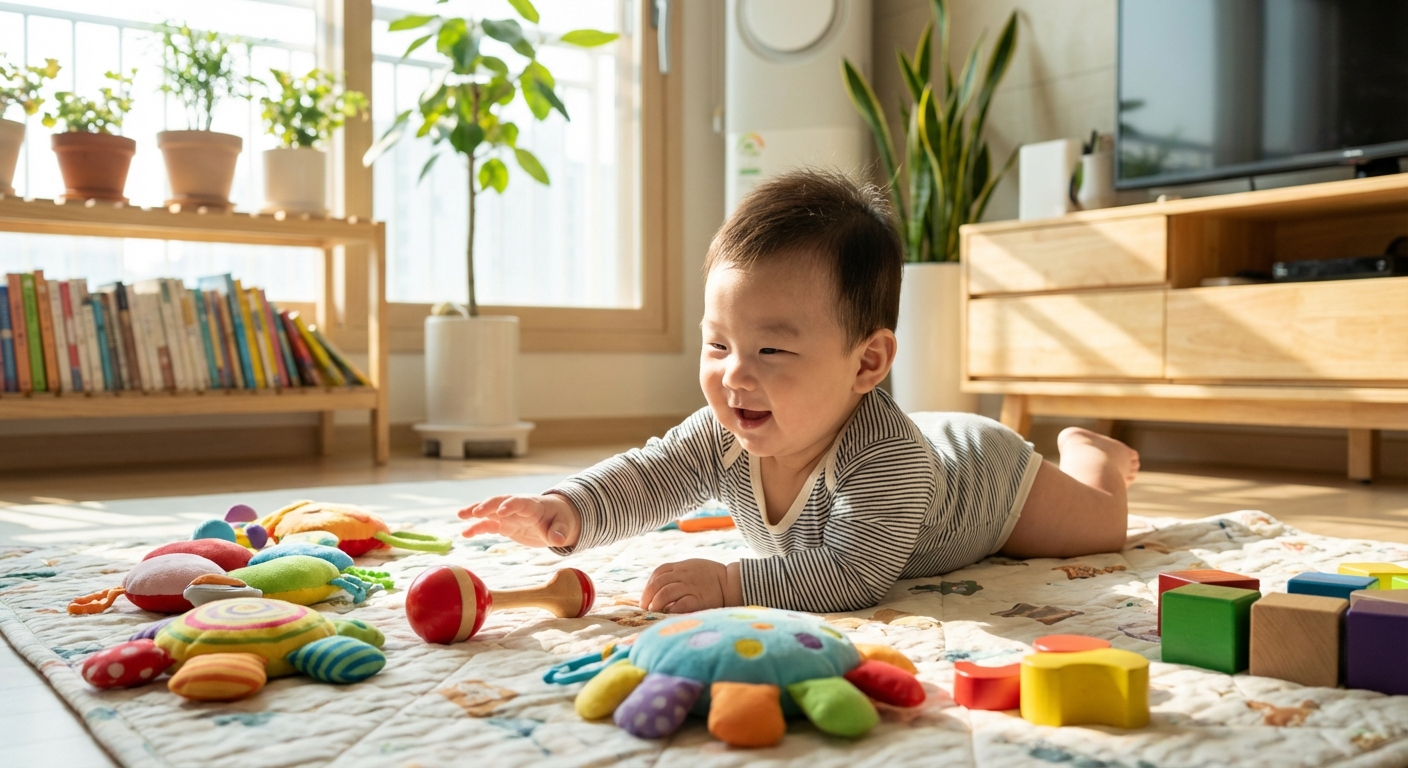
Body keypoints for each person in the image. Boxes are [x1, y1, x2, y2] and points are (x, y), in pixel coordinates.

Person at [459, 169, 1139, 614]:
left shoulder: (885, 460)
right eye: (717, 344)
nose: (734, 375)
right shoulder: (725, 430)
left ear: (867, 362)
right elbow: (653, 474)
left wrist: (729, 583)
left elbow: (851, 575)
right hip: (926, 436)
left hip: (988, 481)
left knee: (1103, 529)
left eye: (772, 349)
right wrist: (568, 509)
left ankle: (1093, 454)